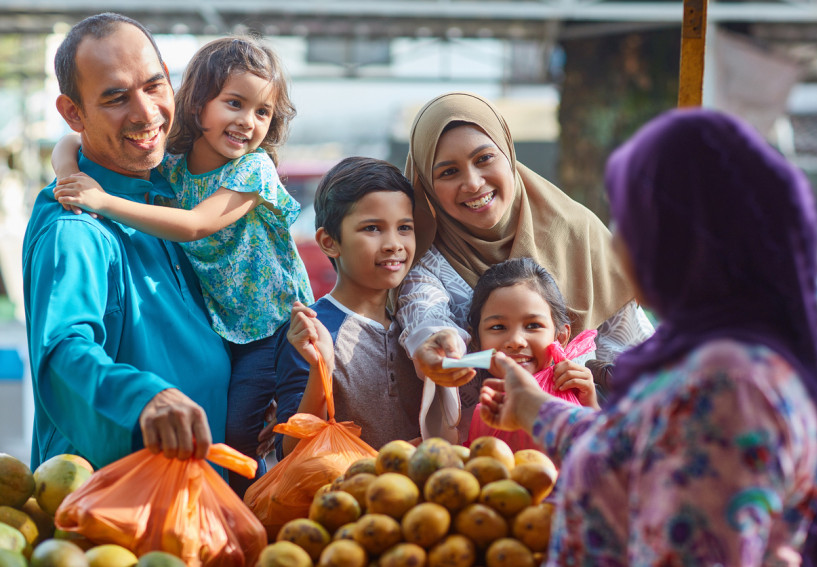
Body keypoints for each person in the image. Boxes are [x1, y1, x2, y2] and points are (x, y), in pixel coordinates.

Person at [478, 108, 817, 565]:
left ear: (680, 241)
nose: (615, 245)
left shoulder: (730, 387)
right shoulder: (709, 358)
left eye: (629, 223)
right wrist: (534, 407)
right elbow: (639, 449)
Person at [50, 35, 314, 495]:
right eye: (234, 103)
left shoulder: (251, 171)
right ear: (196, 108)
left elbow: (194, 225)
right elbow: (67, 141)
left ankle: (254, 513)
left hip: (271, 329)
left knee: (254, 437)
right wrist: (68, 177)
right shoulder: (172, 166)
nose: (248, 122)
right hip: (228, 327)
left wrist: (102, 200)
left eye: (262, 112)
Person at [22, 13, 231, 470]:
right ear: (73, 113)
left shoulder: (176, 188)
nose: (145, 113)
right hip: (118, 516)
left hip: (201, 499)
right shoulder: (74, 227)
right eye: (116, 97)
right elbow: (63, 351)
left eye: (153, 86)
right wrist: (142, 399)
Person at [396, 91, 654, 442]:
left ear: (509, 154)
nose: (472, 182)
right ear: (427, 184)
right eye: (448, 171)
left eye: (484, 158)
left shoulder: (579, 231)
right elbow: (426, 316)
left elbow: (637, 354)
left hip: (582, 447)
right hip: (478, 462)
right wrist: (436, 346)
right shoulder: (425, 258)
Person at [275, 157, 422, 452]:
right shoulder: (311, 332)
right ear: (329, 242)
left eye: (404, 227)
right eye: (372, 228)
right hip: (342, 495)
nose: (394, 243)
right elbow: (289, 451)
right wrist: (322, 368)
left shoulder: (417, 330)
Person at [464, 257, 600, 451]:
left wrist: (590, 404)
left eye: (533, 325)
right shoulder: (483, 412)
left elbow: (607, 457)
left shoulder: (576, 389)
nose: (516, 341)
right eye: (498, 327)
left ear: (561, 337)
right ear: (476, 341)